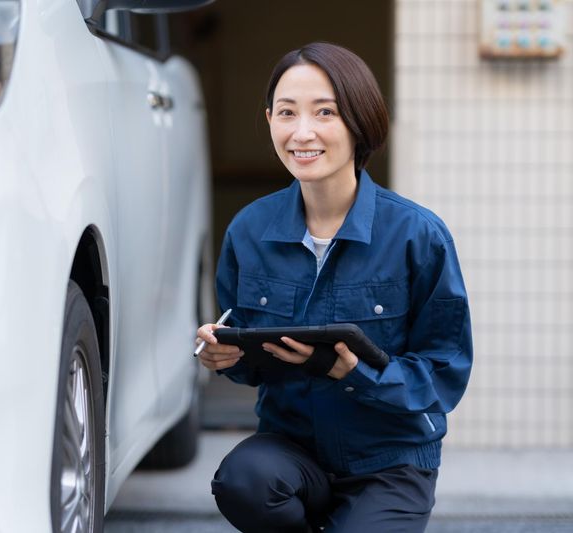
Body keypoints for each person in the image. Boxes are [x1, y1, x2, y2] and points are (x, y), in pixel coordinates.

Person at [196, 42, 473, 533]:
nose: (302, 132)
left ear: (359, 122)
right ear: (269, 121)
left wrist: (358, 373)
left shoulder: (417, 235)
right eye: (286, 113)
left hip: (390, 461)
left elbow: (443, 372)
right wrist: (225, 356)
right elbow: (250, 355)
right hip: (292, 451)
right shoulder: (248, 230)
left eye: (325, 112)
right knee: (243, 480)